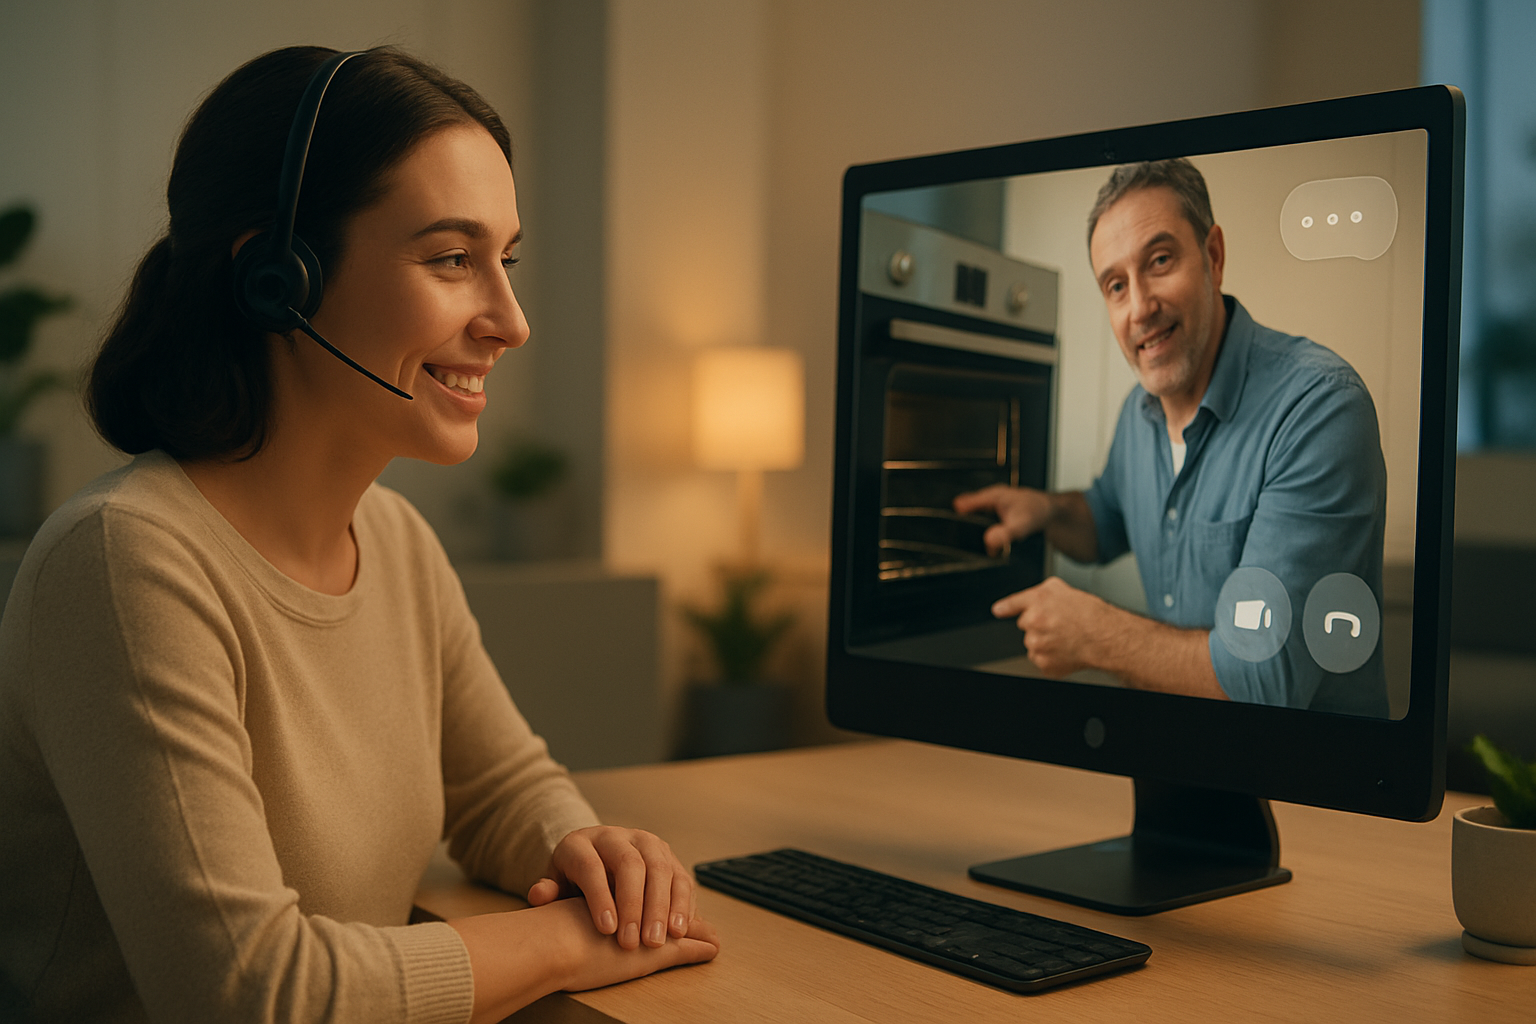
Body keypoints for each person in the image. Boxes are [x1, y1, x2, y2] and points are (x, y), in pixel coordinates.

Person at [0, 46, 717, 1024]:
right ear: (277, 278)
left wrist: (586, 850)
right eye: (453, 259)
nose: (511, 320)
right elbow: (249, 993)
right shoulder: (125, 563)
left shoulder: (396, 540)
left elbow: (499, 785)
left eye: (505, 261)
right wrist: (564, 941)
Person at [954, 158, 1387, 716]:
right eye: (1115, 285)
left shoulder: (1319, 408)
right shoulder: (1140, 414)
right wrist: (1045, 510)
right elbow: (1107, 520)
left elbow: (1266, 678)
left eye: (1159, 261)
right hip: (1177, 772)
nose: (1140, 308)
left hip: (1312, 792)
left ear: (1213, 257)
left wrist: (1098, 635)